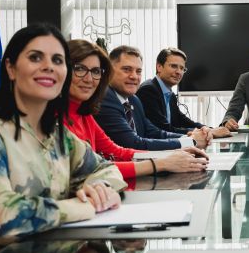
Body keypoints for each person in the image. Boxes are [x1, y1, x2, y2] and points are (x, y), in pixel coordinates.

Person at [0, 24, 126, 245]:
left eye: (58, 60)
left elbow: (106, 169)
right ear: (11, 68)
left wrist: (101, 190)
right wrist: (82, 206)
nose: (49, 67)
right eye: (35, 57)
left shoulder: (55, 133)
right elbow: (1, 220)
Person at [64, 40, 208, 187]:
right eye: (80, 69)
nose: (89, 79)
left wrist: (175, 153)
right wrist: (162, 162)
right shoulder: (101, 101)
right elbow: (94, 167)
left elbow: (118, 151)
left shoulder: (86, 113)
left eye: (95, 71)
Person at [95, 45, 211, 151]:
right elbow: (133, 143)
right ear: (109, 70)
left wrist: (189, 136)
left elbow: (153, 132)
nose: (134, 76)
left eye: (138, 71)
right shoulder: (104, 98)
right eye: (127, 69)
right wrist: (190, 141)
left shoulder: (134, 100)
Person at [137, 47, 230, 138]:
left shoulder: (170, 94)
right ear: (159, 67)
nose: (179, 72)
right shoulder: (148, 90)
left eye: (182, 68)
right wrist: (206, 133)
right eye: (173, 66)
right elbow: (163, 129)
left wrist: (205, 128)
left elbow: (181, 120)